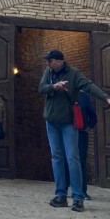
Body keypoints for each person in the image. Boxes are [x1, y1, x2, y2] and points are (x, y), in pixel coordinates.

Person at [39, 48, 110, 213]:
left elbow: (89, 86)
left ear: (59, 61)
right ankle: (60, 195)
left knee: (73, 158)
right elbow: (41, 88)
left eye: (50, 60)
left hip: (68, 122)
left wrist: (106, 97)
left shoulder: (74, 73)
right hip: (51, 121)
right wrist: (54, 86)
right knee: (57, 157)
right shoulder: (48, 72)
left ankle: (78, 197)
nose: (47, 63)